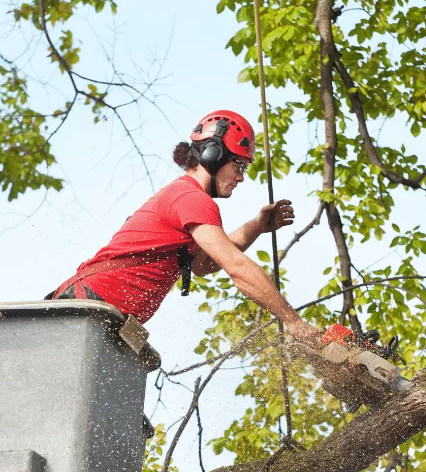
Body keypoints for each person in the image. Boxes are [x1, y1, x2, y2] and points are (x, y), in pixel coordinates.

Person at [47, 109, 320, 346]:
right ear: (213, 155)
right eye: (238, 165)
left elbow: (202, 265)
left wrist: (255, 227)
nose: (241, 177)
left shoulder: (185, 198)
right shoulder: (192, 199)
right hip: (86, 310)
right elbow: (236, 267)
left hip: (101, 317)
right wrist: (294, 322)